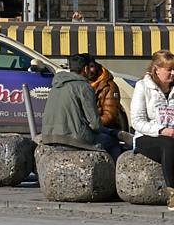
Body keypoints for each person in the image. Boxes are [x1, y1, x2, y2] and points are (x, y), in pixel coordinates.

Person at [39, 53, 123, 158]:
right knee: (113, 142)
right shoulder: (84, 87)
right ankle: (111, 173)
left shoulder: (56, 85)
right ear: (86, 69)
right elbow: (96, 125)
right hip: (74, 139)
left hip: (49, 137)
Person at [127, 50, 174, 206]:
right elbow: (137, 121)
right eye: (169, 70)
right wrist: (161, 130)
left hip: (171, 133)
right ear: (157, 70)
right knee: (168, 145)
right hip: (147, 137)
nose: (173, 73)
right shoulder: (142, 87)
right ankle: (172, 194)